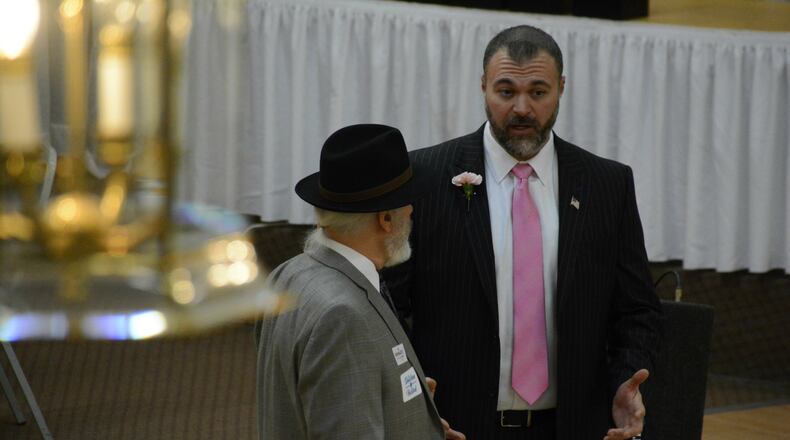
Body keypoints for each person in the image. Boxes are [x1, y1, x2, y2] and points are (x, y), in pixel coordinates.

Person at [384, 25, 662, 440]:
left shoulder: (606, 185)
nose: (522, 109)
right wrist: (410, 393)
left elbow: (636, 310)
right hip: (453, 426)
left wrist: (625, 379)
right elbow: (389, 307)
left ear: (561, 89)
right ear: (482, 87)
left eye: (537, 91)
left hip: (572, 427)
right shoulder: (425, 177)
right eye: (506, 91)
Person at [256, 124, 465, 440]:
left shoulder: (286, 274)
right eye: (407, 204)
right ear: (385, 219)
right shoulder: (342, 315)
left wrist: (419, 421)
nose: (411, 211)